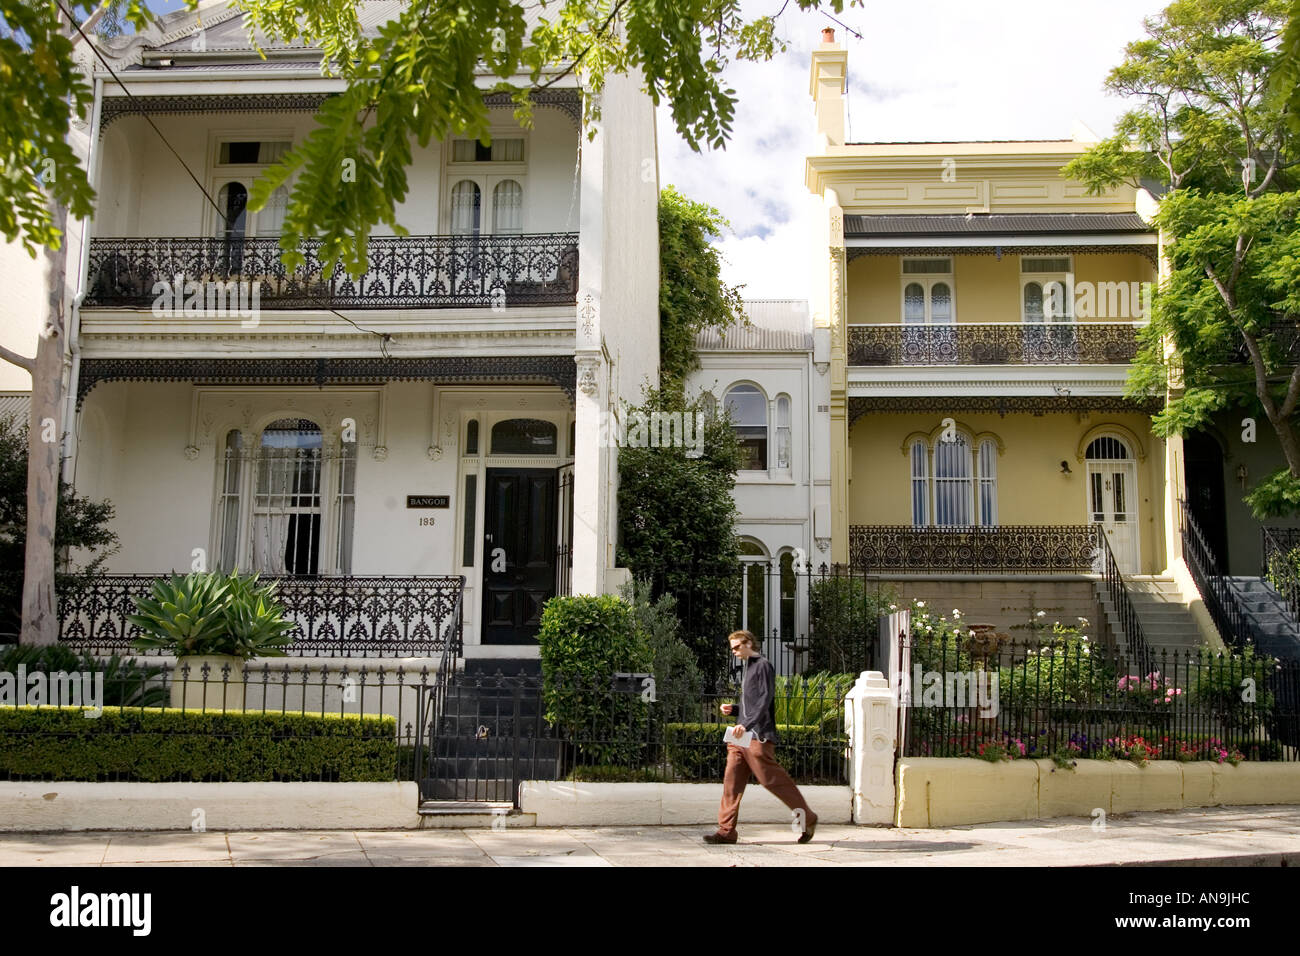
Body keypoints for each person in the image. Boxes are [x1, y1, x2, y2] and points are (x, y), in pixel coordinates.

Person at [703, 630, 817, 845]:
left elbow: (765, 699)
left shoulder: (763, 665)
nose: (734, 652)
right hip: (741, 738)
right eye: (732, 649)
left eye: (737, 647)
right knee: (731, 783)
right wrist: (735, 709)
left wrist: (745, 724)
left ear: (748, 643)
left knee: (772, 781)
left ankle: (808, 818)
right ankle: (726, 831)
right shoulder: (749, 667)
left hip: (758, 735)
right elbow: (752, 704)